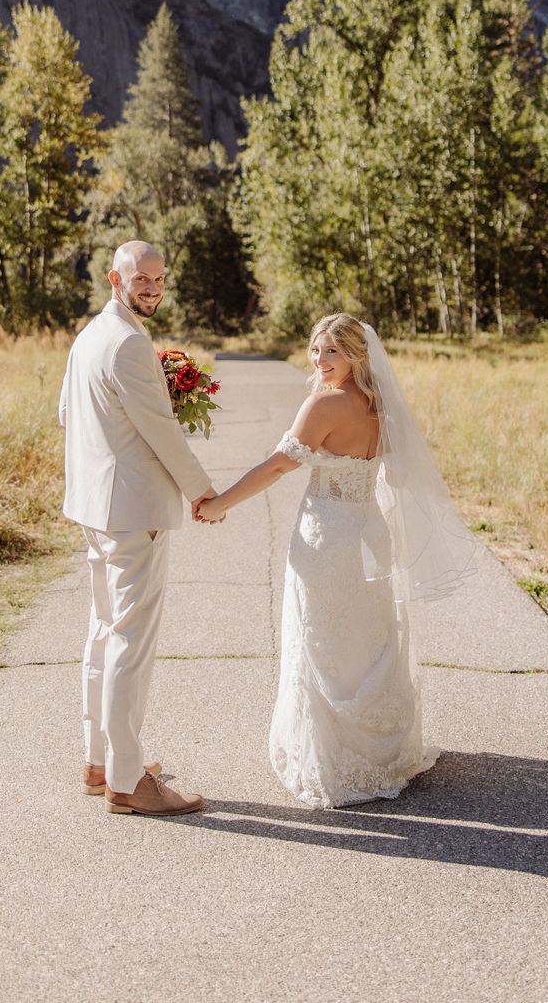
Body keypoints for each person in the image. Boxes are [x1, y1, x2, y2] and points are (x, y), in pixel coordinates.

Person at [197, 313, 474, 809]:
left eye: (332, 352)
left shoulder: (324, 403)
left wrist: (220, 504)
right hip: (369, 533)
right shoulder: (378, 403)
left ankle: (332, 760)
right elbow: (396, 473)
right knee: (366, 637)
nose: (320, 361)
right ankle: (381, 751)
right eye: (316, 349)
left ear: (356, 355)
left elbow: (280, 465)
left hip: (326, 538)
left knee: (323, 639)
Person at [59, 239, 219, 816]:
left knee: (105, 632)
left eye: (159, 278)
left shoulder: (88, 338)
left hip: (96, 509)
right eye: (141, 278)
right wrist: (204, 491)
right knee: (129, 641)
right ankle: (127, 783)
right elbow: (162, 433)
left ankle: (100, 761)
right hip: (131, 513)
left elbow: (66, 415)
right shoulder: (126, 343)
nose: (152, 287)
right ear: (114, 278)